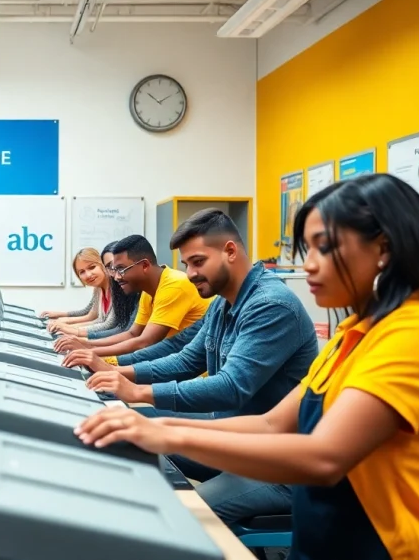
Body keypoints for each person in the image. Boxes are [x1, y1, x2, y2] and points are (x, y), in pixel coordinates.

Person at [77, 175, 419, 559]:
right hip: (332, 534)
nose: (308, 265)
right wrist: (157, 427)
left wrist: (164, 430)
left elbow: (324, 456)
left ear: (384, 249)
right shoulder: (352, 333)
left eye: (325, 248)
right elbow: (273, 424)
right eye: (307, 251)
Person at [72, 208, 315, 526]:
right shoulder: (223, 301)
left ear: (230, 251)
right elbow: (187, 358)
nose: (190, 273)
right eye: (186, 264)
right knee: (126, 431)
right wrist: (116, 373)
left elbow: (231, 387)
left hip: (273, 463)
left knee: (175, 518)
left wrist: (139, 391)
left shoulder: (270, 306)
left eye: (198, 262)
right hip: (233, 439)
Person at [59, 235, 211, 363]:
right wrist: (86, 345)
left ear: (144, 265)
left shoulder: (174, 285)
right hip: (169, 361)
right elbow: (132, 334)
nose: (116, 277)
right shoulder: (148, 290)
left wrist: (94, 353)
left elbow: (144, 342)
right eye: (113, 269)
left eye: (121, 269)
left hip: (192, 374)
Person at [45, 248, 114, 336]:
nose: (88, 275)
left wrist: (69, 328)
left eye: (92, 267)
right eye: (82, 272)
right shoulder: (98, 288)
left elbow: (109, 324)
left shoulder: (116, 287)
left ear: (102, 265)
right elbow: (91, 315)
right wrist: (62, 319)